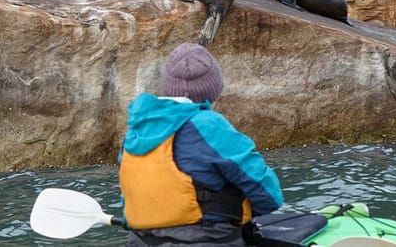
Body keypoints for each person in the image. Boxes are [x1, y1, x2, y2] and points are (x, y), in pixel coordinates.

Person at [119, 43, 283, 246]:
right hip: (208, 239)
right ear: (212, 90)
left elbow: (130, 197)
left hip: (143, 240)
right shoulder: (209, 125)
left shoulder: (135, 130)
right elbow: (268, 193)